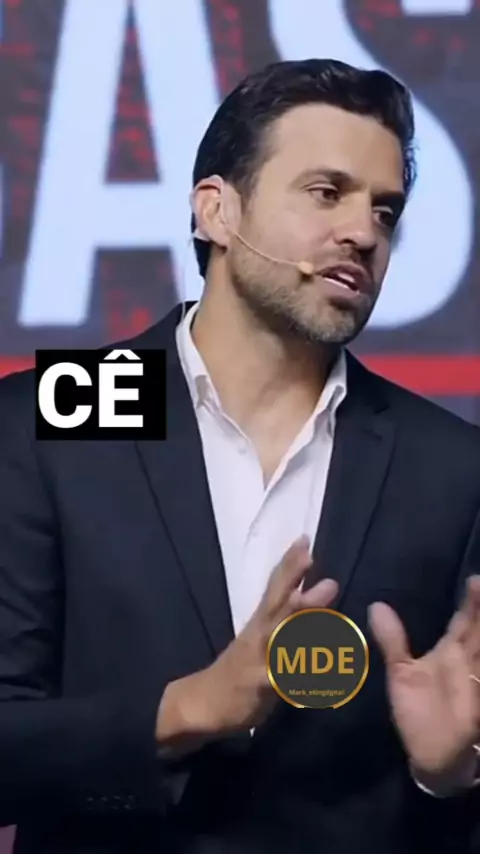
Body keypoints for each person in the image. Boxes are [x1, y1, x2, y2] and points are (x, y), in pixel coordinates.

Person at [1, 58, 480, 854]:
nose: (363, 232)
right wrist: (185, 709)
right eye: (325, 192)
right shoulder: (50, 413)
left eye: (385, 210)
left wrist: (447, 775)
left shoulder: (450, 465)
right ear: (216, 212)